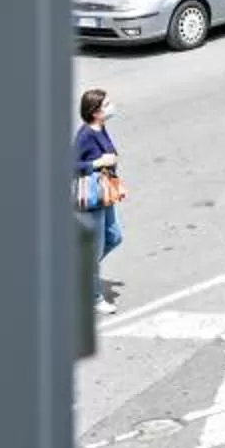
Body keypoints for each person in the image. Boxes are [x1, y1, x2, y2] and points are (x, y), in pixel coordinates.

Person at [75, 85, 123, 309]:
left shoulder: (100, 128)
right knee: (95, 248)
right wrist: (98, 163)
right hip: (94, 199)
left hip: (107, 193)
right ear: (95, 111)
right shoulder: (85, 135)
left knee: (114, 237)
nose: (110, 106)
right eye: (106, 105)